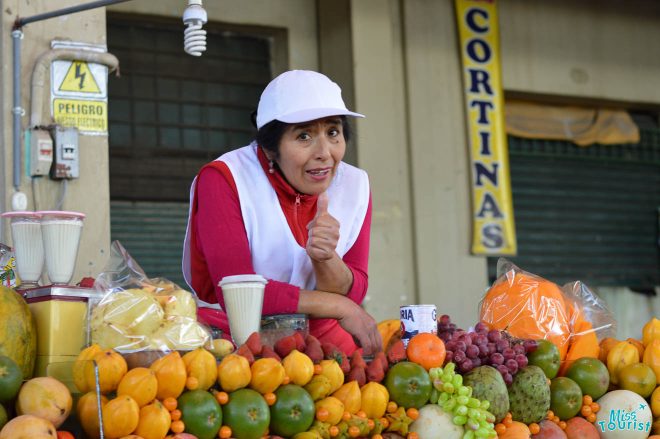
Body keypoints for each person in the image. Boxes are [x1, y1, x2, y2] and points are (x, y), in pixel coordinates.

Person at [183, 70, 381, 355]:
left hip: (320, 339)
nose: (325, 152)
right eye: (304, 136)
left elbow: (355, 287)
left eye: (333, 132)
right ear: (269, 147)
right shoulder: (224, 178)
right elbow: (238, 293)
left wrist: (326, 259)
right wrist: (339, 306)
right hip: (236, 340)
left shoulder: (355, 184)